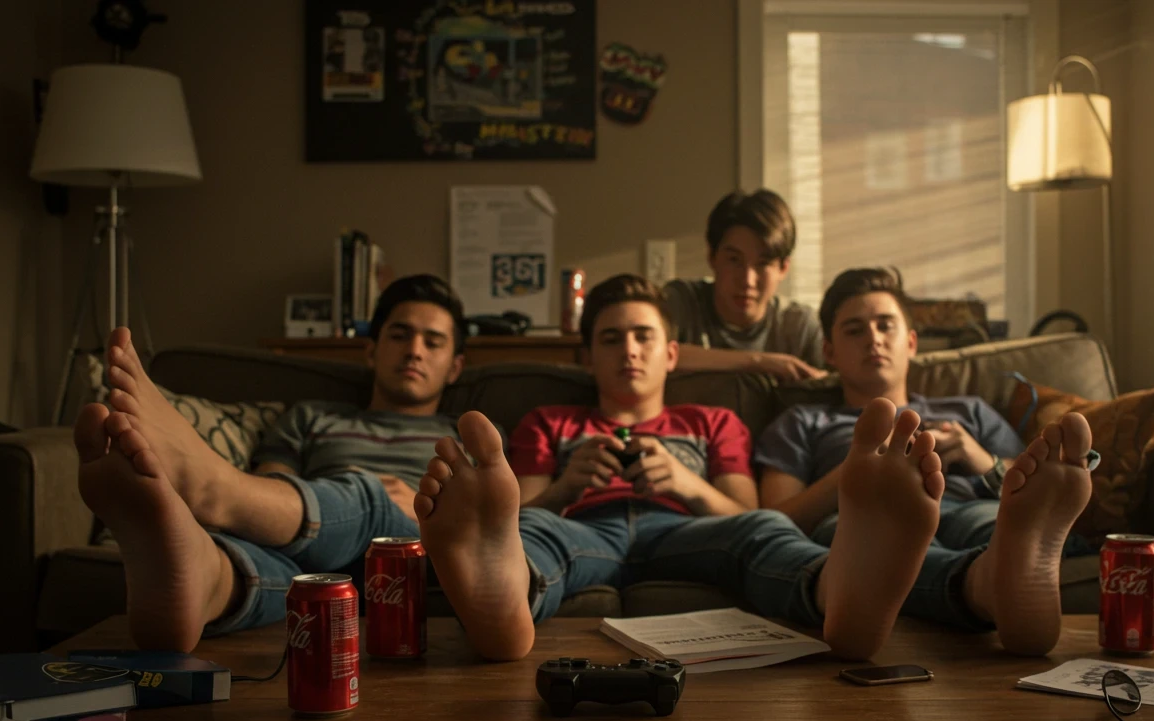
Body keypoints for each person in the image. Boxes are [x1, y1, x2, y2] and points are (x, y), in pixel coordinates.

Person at [412, 273, 1085, 663]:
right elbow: (525, 506)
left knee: (765, 535)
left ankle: (841, 595)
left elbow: (750, 512)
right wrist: (566, 483)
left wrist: (683, 483)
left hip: (685, 528)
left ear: (672, 354)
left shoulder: (712, 422)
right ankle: (504, 596)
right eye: (610, 339)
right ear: (586, 357)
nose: (628, 351)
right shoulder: (550, 421)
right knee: (531, 537)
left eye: (643, 336)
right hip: (581, 525)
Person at [74, 274, 468, 652]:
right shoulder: (313, 417)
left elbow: (486, 527)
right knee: (294, 573)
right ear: (371, 349)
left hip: (411, 548)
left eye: (433, 342)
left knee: (369, 501)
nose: (415, 350)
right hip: (315, 541)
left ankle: (212, 487)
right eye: (400, 335)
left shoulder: (468, 435)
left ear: (454, 367)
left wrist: (410, 512)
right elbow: (271, 480)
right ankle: (207, 581)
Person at [755, 267, 1096, 657]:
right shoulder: (803, 421)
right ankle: (987, 582)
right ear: (828, 352)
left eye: (886, 326)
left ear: (912, 342)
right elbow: (780, 516)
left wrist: (978, 457)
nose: (873, 339)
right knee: (877, 540)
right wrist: (855, 475)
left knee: (991, 520)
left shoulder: (969, 411)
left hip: (971, 503)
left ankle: (1007, 563)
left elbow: (1031, 477)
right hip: (864, 520)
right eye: (854, 330)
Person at [664, 189, 826, 382]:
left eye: (763, 263)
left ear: (783, 268)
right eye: (734, 260)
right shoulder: (682, 302)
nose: (747, 280)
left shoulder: (798, 325)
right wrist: (759, 361)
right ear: (712, 258)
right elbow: (653, 355)